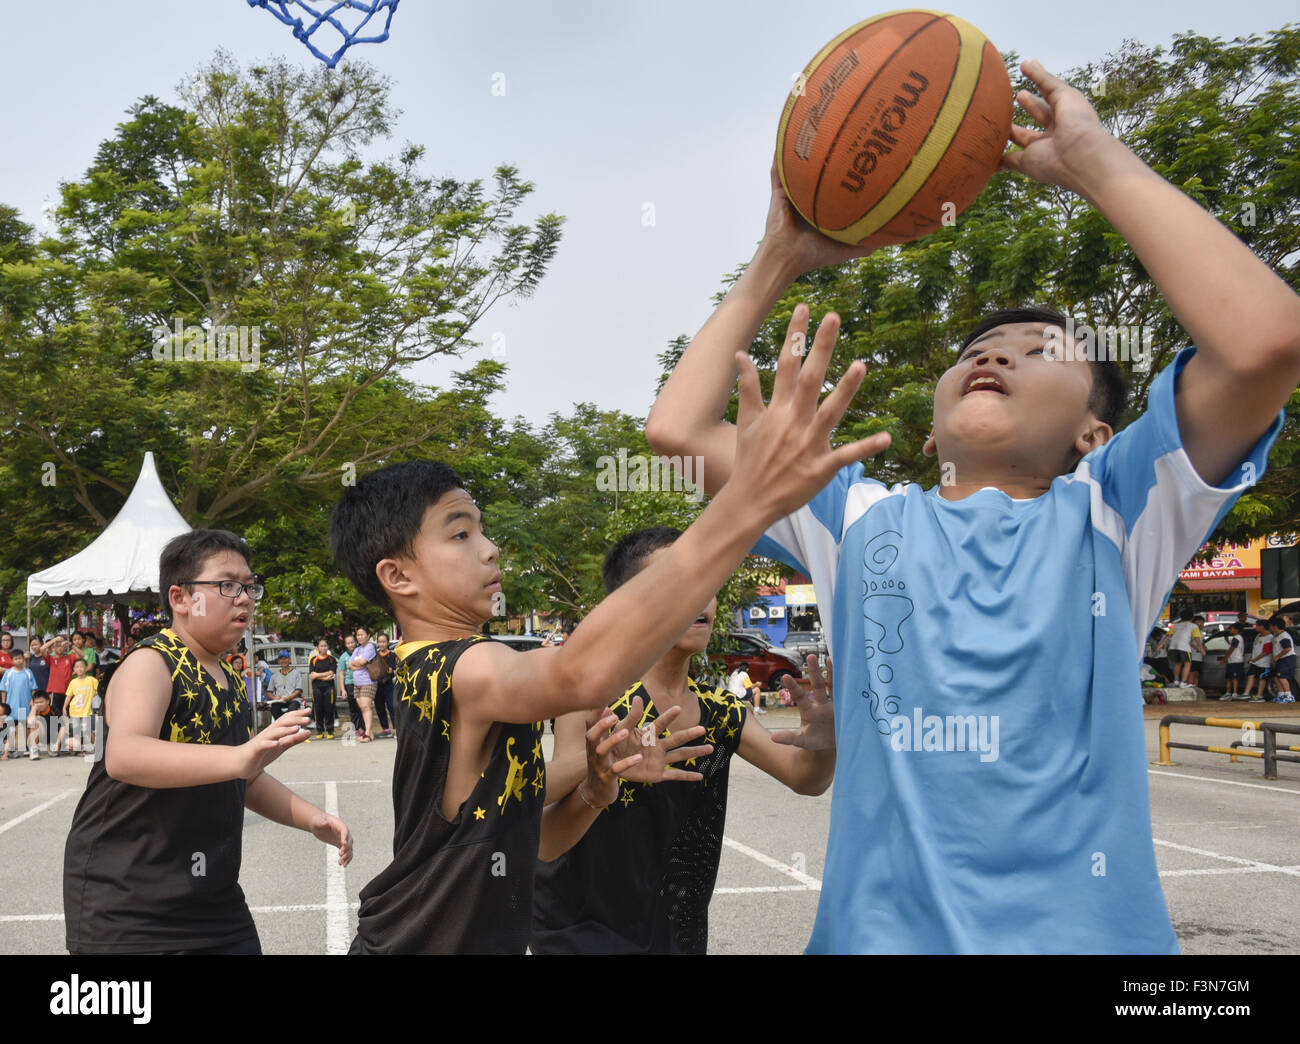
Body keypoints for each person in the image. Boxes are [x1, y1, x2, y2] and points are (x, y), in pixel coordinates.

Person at [645, 59, 1298, 953]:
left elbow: (1268, 343)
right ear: (931, 435)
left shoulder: (1117, 511)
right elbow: (676, 431)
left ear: (1095, 436)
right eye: (983, 346)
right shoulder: (857, 514)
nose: (1001, 354)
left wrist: (1094, 159)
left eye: (1046, 349)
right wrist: (780, 257)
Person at [328, 333, 871, 954]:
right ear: (398, 577)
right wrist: (748, 501)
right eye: (459, 534)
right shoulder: (453, 669)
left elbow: (536, 843)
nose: (489, 548)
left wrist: (593, 788)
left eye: (482, 529)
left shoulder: (463, 677)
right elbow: (580, 676)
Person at [532, 526, 837, 954]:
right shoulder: (590, 701)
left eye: (705, 580)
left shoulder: (723, 710)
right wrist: (600, 765)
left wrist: (824, 741)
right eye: (677, 582)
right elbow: (540, 815)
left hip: (677, 932)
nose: (697, 596)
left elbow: (805, 778)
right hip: (582, 929)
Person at [62, 528, 353, 955]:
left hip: (213, 899)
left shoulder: (231, 679)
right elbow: (123, 755)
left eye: (250, 586)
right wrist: (240, 758)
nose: (245, 597)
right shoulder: (151, 662)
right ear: (180, 598)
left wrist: (311, 818)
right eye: (227, 585)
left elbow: (244, 773)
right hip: (127, 904)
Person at [1, 652, 39, 759]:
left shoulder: (28, 672)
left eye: (20, 658)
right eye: (16, 659)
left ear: (23, 659)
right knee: (11, 728)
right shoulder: (8, 673)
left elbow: (33, 689)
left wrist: (32, 701)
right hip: (11, 706)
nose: (18, 660)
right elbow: (3, 689)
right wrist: (4, 705)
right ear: (12, 660)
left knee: (26, 727)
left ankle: (28, 747)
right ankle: (11, 750)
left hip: (24, 706)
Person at [58, 656, 98, 754]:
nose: (79, 669)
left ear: (86, 668)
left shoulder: (91, 680)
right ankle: (78, 750)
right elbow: (68, 696)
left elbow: (98, 690)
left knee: (87, 731)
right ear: (74, 670)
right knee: (77, 731)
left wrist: (93, 695)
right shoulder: (73, 682)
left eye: (82, 666)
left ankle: (96, 746)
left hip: (86, 711)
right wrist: (64, 707)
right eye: (77, 667)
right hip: (74, 711)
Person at [348, 626, 379, 743]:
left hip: (368, 681)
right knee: (362, 708)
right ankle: (369, 732)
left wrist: (358, 664)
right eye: (358, 635)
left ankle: (367, 734)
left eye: (362, 634)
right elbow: (349, 665)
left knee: (366, 707)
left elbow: (363, 661)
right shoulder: (357, 649)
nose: (360, 637)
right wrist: (358, 664)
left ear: (368, 635)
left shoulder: (370, 647)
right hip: (357, 683)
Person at [266, 651, 307, 723]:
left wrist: (288, 698)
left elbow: (298, 690)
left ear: (289, 660)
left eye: (285, 658)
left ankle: (287, 725)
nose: (283, 661)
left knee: (292, 708)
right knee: (274, 709)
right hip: (280, 700)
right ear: (278, 661)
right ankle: (284, 724)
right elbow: (269, 691)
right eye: (281, 659)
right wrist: (274, 698)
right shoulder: (274, 675)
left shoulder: (296, 673)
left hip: (294, 699)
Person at [309, 638, 338, 739]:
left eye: (325, 645)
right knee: (318, 709)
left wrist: (318, 675)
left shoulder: (331, 659)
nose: (323, 648)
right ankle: (319, 730)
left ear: (328, 647)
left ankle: (330, 730)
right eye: (321, 646)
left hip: (329, 688)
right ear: (317, 648)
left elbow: (332, 673)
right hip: (316, 688)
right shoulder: (314, 660)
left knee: (329, 708)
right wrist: (324, 677)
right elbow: (312, 676)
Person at [44, 636, 77, 723]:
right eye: (57, 646)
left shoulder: (69, 657)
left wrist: (71, 645)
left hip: (68, 692)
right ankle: (55, 734)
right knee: (55, 715)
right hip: (55, 692)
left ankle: (66, 734)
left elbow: (82, 655)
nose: (60, 647)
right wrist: (54, 640)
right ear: (53, 648)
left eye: (61, 645)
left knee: (66, 714)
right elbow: (42, 649)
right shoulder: (51, 659)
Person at [372, 633, 397, 738]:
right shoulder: (374, 655)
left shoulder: (391, 655)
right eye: (380, 642)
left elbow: (391, 670)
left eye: (384, 642)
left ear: (388, 643)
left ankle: (396, 729)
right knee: (379, 706)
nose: (382, 644)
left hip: (388, 684)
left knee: (392, 706)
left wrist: (381, 671)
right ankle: (385, 729)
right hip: (377, 685)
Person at [338, 633, 363, 738]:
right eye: (348, 643)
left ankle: (365, 728)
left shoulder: (360, 653)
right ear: (345, 644)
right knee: (353, 708)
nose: (351, 644)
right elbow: (341, 674)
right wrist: (343, 690)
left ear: (355, 642)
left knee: (362, 706)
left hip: (361, 682)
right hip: (350, 684)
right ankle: (356, 728)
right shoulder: (343, 657)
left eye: (352, 642)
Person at [1267, 615, 1295, 703]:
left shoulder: (1284, 636)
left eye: (1271, 626)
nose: (1270, 628)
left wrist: (1277, 656)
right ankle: (1281, 694)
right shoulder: (1277, 636)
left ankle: (1288, 695)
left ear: (1275, 626)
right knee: (1276, 677)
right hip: (1279, 660)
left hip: (1286, 659)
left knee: (1282, 677)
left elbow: (1287, 648)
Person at [1245, 620, 1273, 702]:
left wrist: (1255, 659)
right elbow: (1255, 648)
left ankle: (1260, 696)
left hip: (1263, 662)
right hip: (1254, 662)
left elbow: (1266, 651)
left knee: (1262, 678)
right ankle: (1246, 693)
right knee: (1251, 675)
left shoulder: (1269, 637)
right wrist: (1252, 658)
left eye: (1257, 625)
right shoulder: (1258, 636)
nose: (1255, 627)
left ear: (1262, 626)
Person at [1166, 610, 1197, 685]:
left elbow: (1168, 636)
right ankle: (1183, 682)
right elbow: (1197, 639)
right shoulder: (1193, 626)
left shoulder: (1176, 625)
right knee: (1187, 664)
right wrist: (1201, 649)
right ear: (1192, 618)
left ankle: (1176, 680)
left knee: (1177, 664)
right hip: (1184, 648)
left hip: (1173, 647)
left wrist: (1161, 645)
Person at [1220, 623, 1245, 701]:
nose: (1230, 630)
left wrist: (1225, 658)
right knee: (1229, 677)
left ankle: (1234, 693)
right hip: (1232, 660)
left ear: (1236, 630)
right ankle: (1228, 693)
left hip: (1236, 660)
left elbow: (1232, 648)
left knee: (1234, 678)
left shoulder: (1237, 638)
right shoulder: (1236, 638)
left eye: (1231, 628)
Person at [1189, 615, 1207, 688]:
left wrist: (1203, 647)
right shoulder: (1192, 631)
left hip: (1199, 657)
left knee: (1197, 674)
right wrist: (1198, 648)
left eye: (1202, 622)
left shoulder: (1201, 633)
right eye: (1198, 622)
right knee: (1192, 673)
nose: (1201, 624)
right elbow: (1189, 642)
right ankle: (1190, 688)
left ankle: (1195, 689)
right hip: (1192, 655)